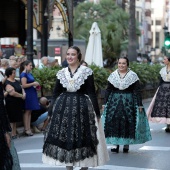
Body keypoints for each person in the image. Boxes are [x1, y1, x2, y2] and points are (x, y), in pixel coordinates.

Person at [42, 46, 109, 170]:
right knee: (68, 139)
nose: (69, 57)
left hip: (82, 108)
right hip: (65, 109)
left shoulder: (86, 71)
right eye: (68, 54)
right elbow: (56, 93)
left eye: (73, 54)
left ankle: (84, 166)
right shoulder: (61, 73)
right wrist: (51, 111)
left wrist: (97, 113)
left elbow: (91, 93)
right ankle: (69, 167)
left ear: (78, 56)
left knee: (83, 137)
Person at [103, 57, 151, 153]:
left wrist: (140, 105)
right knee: (114, 122)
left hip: (129, 101)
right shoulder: (113, 75)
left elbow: (137, 91)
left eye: (123, 63)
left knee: (128, 122)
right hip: (114, 101)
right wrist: (105, 102)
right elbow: (108, 89)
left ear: (127, 65)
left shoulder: (133, 76)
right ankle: (115, 144)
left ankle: (126, 145)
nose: (121, 65)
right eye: (119, 63)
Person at [147, 55, 170, 132]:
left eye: (165, 59)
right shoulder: (163, 69)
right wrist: (159, 90)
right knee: (164, 108)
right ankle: (168, 125)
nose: (163, 60)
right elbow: (161, 81)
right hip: (163, 90)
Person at [4, 67, 26, 139]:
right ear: (9, 74)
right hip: (11, 102)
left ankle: (14, 133)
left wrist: (24, 93)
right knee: (12, 118)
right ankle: (12, 134)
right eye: (13, 73)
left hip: (17, 102)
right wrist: (21, 96)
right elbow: (12, 93)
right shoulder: (7, 82)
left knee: (15, 119)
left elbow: (21, 87)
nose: (15, 74)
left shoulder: (16, 81)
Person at [20, 60, 40, 136]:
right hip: (28, 93)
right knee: (27, 111)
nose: (31, 67)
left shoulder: (29, 73)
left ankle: (28, 128)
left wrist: (35, 86)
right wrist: (33, 83)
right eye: (30, 65)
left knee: (30, 111)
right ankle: (26, 129)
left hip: (32, 92)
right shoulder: (23, 74)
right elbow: (23, 85)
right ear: (25, 66)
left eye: (31, 66)